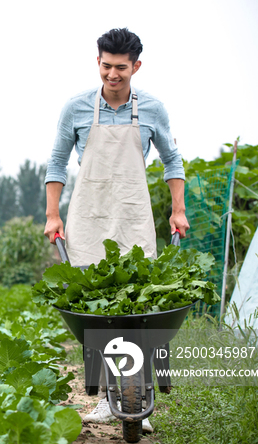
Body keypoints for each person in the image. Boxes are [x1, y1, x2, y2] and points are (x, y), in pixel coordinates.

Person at [43, 28, 190, 434]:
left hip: (132, 217)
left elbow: (172, 162)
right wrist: (53, 215)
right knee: (97, 308)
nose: (112, 74)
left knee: (137, 306)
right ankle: (110, 399)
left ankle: (137, 393)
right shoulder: (75, 108)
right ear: (98, 63)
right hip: (88, 219)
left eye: (120, 68)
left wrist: (178, 211)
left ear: (135, 66)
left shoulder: (153, 110)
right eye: (106, 66)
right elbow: (57, 163)